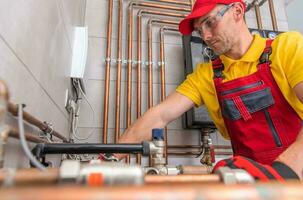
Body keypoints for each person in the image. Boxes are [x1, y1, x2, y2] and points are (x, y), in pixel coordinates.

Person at [116, 0, 303, 180]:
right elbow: (160, 115)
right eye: (199, 30)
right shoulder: (207, 75)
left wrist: (284, 172)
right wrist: (110, 159)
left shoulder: (286, 47)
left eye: (210, 23)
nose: (205, 37)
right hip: (251, 184)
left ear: (237, 11)